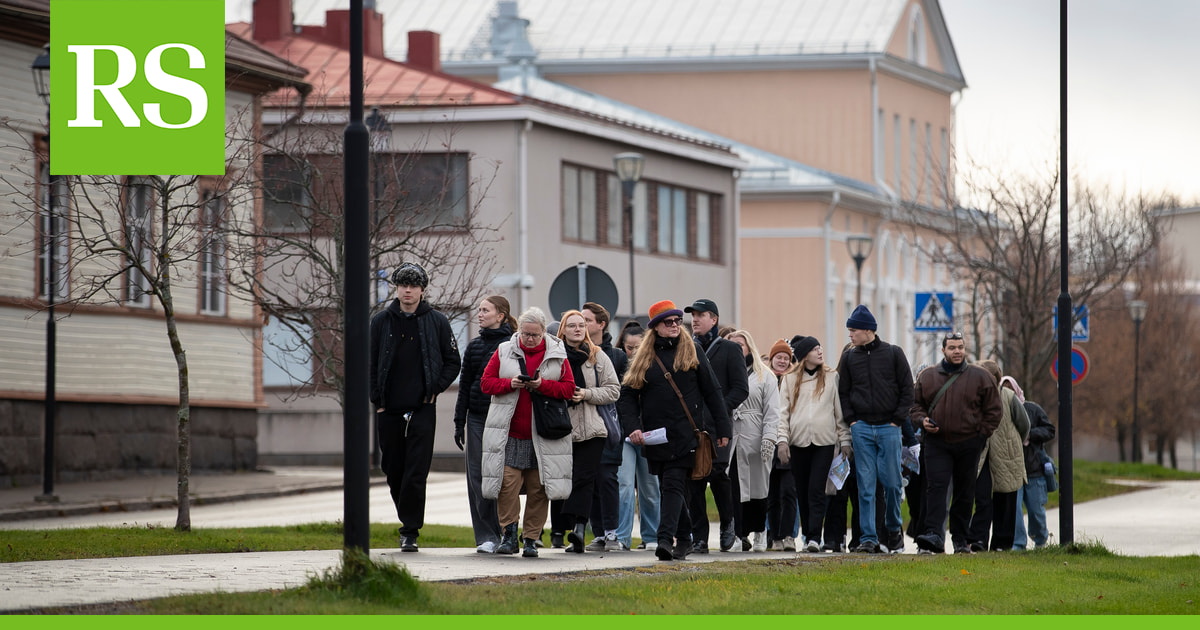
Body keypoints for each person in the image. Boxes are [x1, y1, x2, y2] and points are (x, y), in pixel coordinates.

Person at [620, 300, 731, 561]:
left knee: (672, 484)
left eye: (678, 321)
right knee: (672, 487)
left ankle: (663, 539)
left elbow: (712, 391)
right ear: (656, 327)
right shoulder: (644, 357)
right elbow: (626, 396)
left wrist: (723, 428)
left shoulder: (692, 350)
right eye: (668, 322)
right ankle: (684, 539)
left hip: (686, 433)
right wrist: (633, 427)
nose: (675, 326)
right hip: (655, 436)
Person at [369, 262, 462, 552]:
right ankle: (406, 516)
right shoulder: (381, 321)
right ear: (396, 288)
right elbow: (368, 363)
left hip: (422, 408)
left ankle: (410, 530)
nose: (408, 290)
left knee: (416, 470)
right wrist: (377, 401)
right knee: (393, 468)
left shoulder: (437, 321)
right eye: (403, 285)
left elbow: (453, 361)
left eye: (413, 286)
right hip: (389, 409)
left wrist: (434, 389)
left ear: (422, 289)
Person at [479, 307, 576, 558]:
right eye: (525, 333)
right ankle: (509, 534)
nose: (530, 339)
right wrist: (510, 384)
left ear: (544, 332)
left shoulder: (557, 354)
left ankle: (531, 538)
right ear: (519, 330)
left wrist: (542, 385)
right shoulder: (504, 351)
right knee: (507, 486)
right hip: (510, 432)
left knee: (538, 488)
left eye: (535, 334)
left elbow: (569, 389)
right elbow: (486, 383)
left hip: (543, 434)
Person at [910, 332, 1002, 554]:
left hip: (969, 442)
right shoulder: (928, 377)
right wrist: (922, 420)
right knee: (936, 488)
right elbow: (915, 407)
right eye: (952, 347)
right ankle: (933, 535)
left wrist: (981, 436)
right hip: (937, 443)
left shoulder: (980, 377)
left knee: (964, 491)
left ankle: (961, 539)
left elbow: (994, 410)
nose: (957, 351)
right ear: (943, 351)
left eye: (960, 347)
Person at [838, 304, 913, 554]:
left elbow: (907, 390)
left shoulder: (893, 353)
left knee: (892, 484)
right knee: (865, 485)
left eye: (853, 330)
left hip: (889, 428)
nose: (850, 334)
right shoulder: (849, 357)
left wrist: (897, 420)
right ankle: (868, 537)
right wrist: (852, 420)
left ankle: (893, 530)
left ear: (868, 330)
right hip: (861, 428)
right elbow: (844, 392)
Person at [551, 309, 622, 553]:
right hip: (561, 428)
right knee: (564, 480)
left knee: (584, 477)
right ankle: (560, 528)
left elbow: (614, 389)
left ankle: (579, 529)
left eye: (581, 325)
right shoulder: (553, 356)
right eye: (572, 325)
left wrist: (587, 394)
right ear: (563, 329)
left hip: (593, 430)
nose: (578, 329)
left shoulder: (597, 355)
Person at [683, 299, 749, 553]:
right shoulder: (687, 347)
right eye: (693, 316)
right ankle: (699, 538)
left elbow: (740, 389)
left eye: (701, 315)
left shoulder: (730, 349)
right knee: (695, 480)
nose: (695, 320)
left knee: (719, 475)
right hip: (693, 426)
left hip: (719, 426)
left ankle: (727, 524)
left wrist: (718, 409)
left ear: (714, 319)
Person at [453, 295, 517, 554]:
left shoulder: (513, 345)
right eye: (479, 310)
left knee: (505, 478)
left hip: (505, 418)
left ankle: (508, 532)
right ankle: (486, 536)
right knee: (478, 478)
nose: (480, 314)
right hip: (477, 418)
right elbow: (465, 386)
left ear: (500, 315)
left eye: (485, 310)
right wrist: (459, 421)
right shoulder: (474, 346)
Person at [777, 335, 848, 553]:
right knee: (802, 490)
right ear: (804, 354)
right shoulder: (789, 379)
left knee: (817, 489)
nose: (820, 352)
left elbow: (838, 411)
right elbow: (783, 413)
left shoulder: (830, 376)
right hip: (798, 442)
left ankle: (815, 536)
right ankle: (808, 533)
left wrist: (844, 440)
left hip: (824, 442)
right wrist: (782, 441)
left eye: (820, 348)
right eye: (815, 349)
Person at [579, 303, 630, 552]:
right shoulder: (576, 352)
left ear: (601, 324)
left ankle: (612, 533)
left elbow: (620, 395)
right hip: (582, 426)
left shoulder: (618, 356)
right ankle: (598, 533)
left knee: (608, 479)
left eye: (587, 320)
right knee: (590, 481)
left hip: (609, 426)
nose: (583, 325)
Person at [725, 330, 781, 552]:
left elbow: (772, 411)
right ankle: (738, 534)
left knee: (758, 487)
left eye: (740, 344)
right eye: (732, 345)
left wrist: (769, 437)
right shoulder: (726, 373)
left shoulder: (765, 376)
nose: (737, 349)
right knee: (734, 487)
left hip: (755, 437)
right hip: (733, 437)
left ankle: (760, 531)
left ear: (749, 347)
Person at [968, 361, 1029, 552]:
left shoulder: (1009, 397)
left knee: (1006, 498)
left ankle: (1002, 543)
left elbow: (1024, 424)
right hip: (981, 456)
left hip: (1006, 454)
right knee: (983, 498)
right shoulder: (971, 397)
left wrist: (1012, 443)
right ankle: (978, 540)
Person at [615, 319, 660, 550]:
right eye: (628, 347)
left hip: (649, 436)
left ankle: (651, 536)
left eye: (637, 347)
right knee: (623, 486)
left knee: (650, 487)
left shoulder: (654, 366)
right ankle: (622, 537)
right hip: (624, 435)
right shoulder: (618, 365)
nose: (632, 351)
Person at [765, 339, 800, 551]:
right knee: (771, 494)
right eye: (779, 357)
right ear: (772, 359)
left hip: (788, 443)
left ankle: (788, 535)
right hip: (769, 443)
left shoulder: (794, 382)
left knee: (789, 492)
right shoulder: (765, 379)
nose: (782, 361)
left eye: (786, 358)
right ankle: (774, 536)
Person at [1014, 391, 1056, 549]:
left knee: (1035, 511)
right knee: (1015, 511)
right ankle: (1018, 544)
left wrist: (1029, 434)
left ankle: (1040, 540)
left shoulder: (1033, 409)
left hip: (1034, 471)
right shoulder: (1002, 410)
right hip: (1014, 471)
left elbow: (1050, 430)